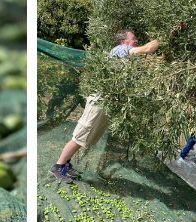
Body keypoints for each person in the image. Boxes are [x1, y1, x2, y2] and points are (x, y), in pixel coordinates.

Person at [50, 30, 160, 183]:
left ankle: (66, 164)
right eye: (133, 38)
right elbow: (147, 49)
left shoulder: (126, 54)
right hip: (99, 101)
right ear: (123, 41)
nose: (136, 41)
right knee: (81, 134)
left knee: (87, 136)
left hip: (105, 102)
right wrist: (163, 37)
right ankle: (58, 166)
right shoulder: (119, 50)